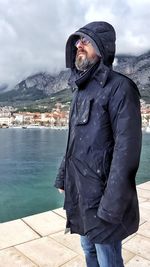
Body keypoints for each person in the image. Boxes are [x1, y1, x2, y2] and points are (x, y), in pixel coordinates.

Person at [54, 21, 142, 267]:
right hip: (81, 194)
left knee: (108, 259)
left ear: (102, 49)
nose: (79, 45)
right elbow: (73, 142)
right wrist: (63, 178)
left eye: (86, 41)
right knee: (88, 251)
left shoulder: (120, 88)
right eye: (77, 41)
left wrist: (112, 205)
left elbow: (127, 152)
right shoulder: (79, 91)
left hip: (104, 199)